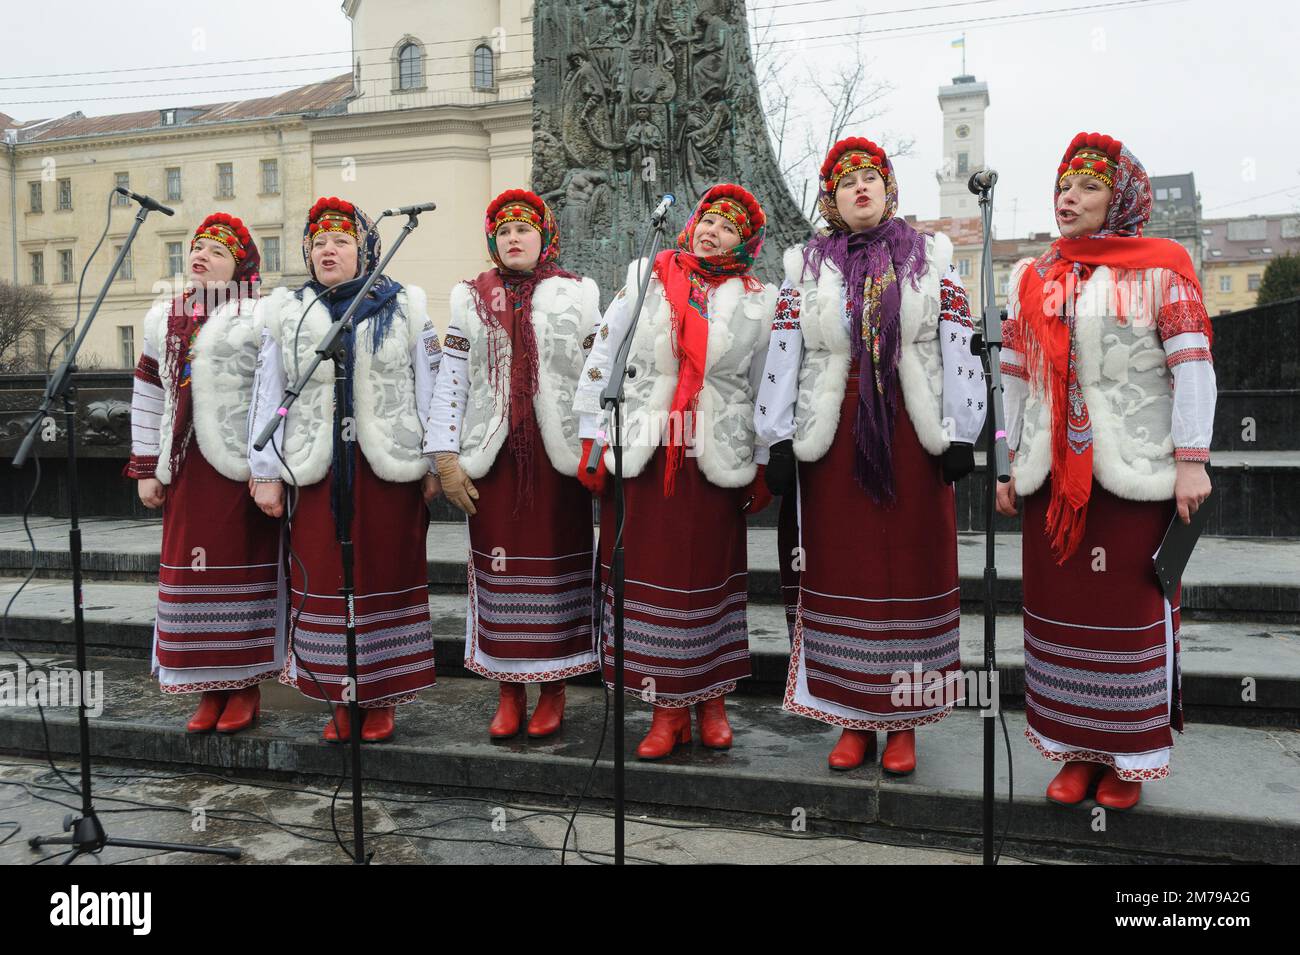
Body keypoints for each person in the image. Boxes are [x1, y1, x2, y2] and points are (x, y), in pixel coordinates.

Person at [996, 132, 1215, 810]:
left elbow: (1193, 365)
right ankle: (1074, 747)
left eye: (1088, 186)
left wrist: (1192, 461)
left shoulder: (1161, 270)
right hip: (1050, 478)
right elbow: (1014, 378)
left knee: (1125, 612)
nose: (1070, 196)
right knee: (1060, 612)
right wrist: (1007, 461)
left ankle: (1126, 754)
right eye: (1064, 184)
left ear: (1119, 199)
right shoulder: (1031, 275)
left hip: (1133, 475)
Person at [755, 137, 986, 775]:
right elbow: (784, 355)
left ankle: (905, 720)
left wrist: (962, 429)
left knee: (910, 569)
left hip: (911, 435)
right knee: (840, 570)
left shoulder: (930, 258)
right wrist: (775, 438)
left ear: (889, 190)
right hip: (834, 437)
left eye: (871, 178)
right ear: (830, 198)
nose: (860, 188)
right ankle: (850, 714)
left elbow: (958, 343)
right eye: (846, 181)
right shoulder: (804, 266)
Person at [574, 183, 775, 759]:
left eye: (729, 227)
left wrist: (762, 461)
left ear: (746, 242)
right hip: (645, 449)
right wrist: (591, 435)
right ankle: (665, 709)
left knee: (707, 578)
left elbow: (764, 385)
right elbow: (603, 355)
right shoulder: (647, 278)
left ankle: (710, 701)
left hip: (713, 457)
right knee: (652, 577)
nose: (714, 231)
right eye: (708, 220)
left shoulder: (759, 300)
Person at [248, 197, 441, 743]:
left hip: (385, 466)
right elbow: (269, 393)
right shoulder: (287, 311)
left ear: (365, 250)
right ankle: (339, 692)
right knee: (325, 575)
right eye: (317, 244)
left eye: (341, 242)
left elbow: (427, 384)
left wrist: (433, 459)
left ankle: (380, 696)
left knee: (387, 569)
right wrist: (264, 470)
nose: (327, 251)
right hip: (315, 465)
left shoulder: (404, 305)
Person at [430, 189, 601, 740]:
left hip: (558, 458)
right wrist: (446, 456)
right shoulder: (469, 299)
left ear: (544, 237)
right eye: (503, 232)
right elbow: (452, 378)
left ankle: (553, 689)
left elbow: (596, 375)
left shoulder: (577, 294)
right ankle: (508, 691)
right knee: (500, 570)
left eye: (523, 230)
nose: (513, 239)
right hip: (494, 454)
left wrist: (601, 445)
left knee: (556, 566)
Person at [126, 213, 277, 735]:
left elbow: (274, 396)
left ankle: (243, 687)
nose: (201, 255)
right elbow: (148, 395)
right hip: (185, 467)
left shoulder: (261, 315)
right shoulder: (162, 318)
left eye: (216, 250)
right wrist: (147, 465)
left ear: (239, 263)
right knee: (190, 576)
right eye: (196, 248)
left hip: (236, 466)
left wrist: (268, 466)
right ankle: (206, 687)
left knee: (239, 572)